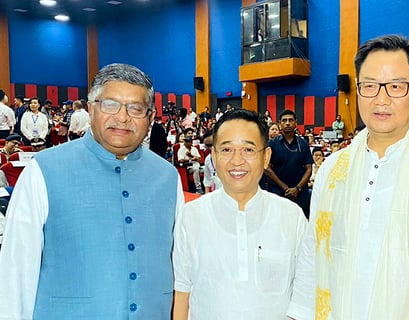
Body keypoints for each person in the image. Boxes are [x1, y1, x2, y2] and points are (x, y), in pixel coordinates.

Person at [289, 34, 409, 319]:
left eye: (395, 86)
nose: (381, 99)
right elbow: (312, 254)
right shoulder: (332, 170)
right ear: (357, 89)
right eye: (369, 86)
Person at [0, 63, 184, 319]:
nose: (122, 117)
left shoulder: (167, 177)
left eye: (136, 108)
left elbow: (180, 264)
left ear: (150, 117)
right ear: (91, 109)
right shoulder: (43, 171)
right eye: (110, 104)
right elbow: (15, 272)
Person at [172, 109, 307, 319]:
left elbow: (305, 291)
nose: (237, 160)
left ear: (266, 157)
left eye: (248, 150)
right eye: (226, 150)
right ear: (214, 157)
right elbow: (182, 290)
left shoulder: (292, 217)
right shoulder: (191, 216)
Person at [265, 109, 313, 218]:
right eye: (284, 120)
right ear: (280, 124)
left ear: (296, 123)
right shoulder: (272, 144)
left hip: (300, 193)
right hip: (278, 191)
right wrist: (285, 188)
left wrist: (298, 188)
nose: (287, 123)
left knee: (301, 224)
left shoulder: (303, 144)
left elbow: (309, 168)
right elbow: (266, 168)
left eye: (291, 120)